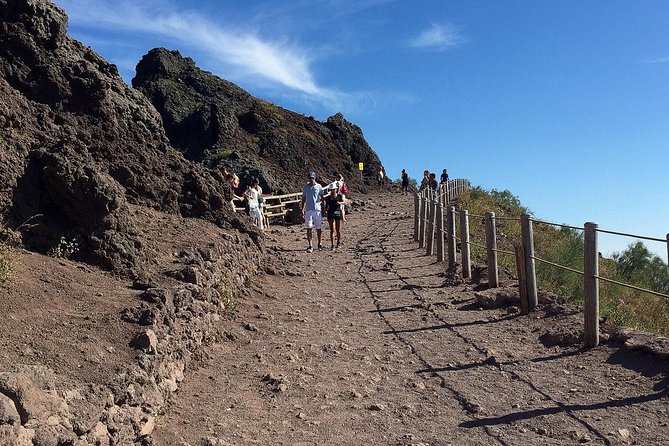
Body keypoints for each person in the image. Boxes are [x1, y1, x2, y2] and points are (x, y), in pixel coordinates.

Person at [301, 171, 325, 252]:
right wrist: (302, 209)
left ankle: (319, 243)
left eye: (313, 178)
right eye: (310, 178)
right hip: (308, 210)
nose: (311, 179)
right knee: (309, 227)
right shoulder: (305, 187)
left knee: (318, 228)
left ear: (315, 178)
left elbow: (322, 197)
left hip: (317, 209)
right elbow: (304, 198)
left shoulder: (319, 186)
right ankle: (310, 245)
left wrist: (323, 208)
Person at [323, 183, 343, 250]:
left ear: (336, 189)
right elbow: (326, 206)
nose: (332, 191)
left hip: (337, 212)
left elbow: (344, 202)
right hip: (330, 213)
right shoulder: (328, 198)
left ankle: (338, 242)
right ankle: (332, 244)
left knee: (338, 229)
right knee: (332, 229)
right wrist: (325, 211)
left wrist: (339, 203)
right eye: (331, 190)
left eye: (333, 189)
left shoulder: (339, 196)